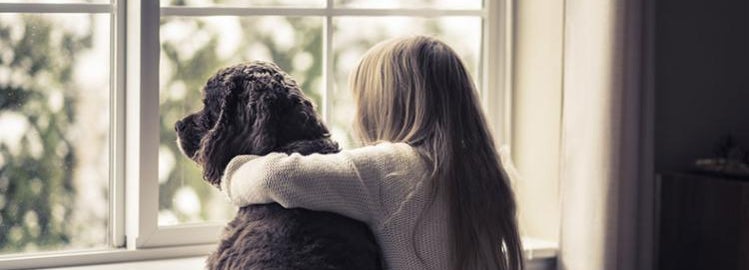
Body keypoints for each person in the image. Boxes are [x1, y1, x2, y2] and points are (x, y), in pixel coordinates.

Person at [220, 36, 524, 270]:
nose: (356, 117)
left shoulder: (391, 169)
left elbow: (278, 176)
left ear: (385, 107)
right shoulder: (491, 171)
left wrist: (231, 173)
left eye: (360, 102)